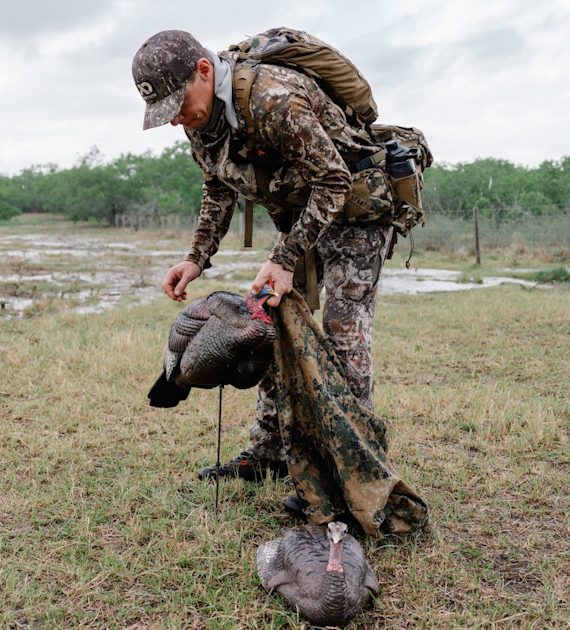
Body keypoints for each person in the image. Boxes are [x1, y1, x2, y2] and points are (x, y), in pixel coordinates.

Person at [133, 30, 400, 514]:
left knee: (342, 336)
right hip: (303, 218)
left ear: (204, 71)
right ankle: (270, 452)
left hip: (356, 211)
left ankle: (355, 473)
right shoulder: (201, 122)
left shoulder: (273, 98)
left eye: (178, 101)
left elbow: (334, 179)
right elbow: (218, 189)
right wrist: (196, 257)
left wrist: (285, 257)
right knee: (266, 324)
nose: (175, 118)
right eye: (165, 110)